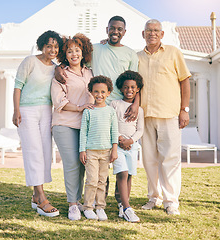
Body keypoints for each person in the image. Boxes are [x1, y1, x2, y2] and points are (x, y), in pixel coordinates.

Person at [55, 15, 139, 211]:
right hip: (97, 110)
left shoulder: (130, 54)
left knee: (121, 156)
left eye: (119, 29)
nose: (115, 31)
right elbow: (74, 56)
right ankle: (97, 201)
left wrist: (135, 104)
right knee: (98, 156)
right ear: (106, 29)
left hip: (121, 110)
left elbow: (136, 82)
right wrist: (58, 68)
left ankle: (121, 202)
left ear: (124, 32)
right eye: (112, 28)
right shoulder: (97, 49)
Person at [138, 19, 191, 215]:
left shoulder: (173, 52)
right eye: (148, 30)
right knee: (149, 159)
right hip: (145, 115)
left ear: (162, 34)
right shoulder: (136, 57)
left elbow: (185, 81)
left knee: (170, 158)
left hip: (169, 114)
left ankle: (171, 201)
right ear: (143, 34)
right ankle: (154, 197)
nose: (152, 33)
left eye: (156, 30)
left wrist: (184, 109)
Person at [12, 30, 63, 217]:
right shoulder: (30, 61)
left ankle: (36, 195)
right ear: (42, 45)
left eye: (56, 46)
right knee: (33, 150)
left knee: (44, 151)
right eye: (49, 45)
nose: (52, 49)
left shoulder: (56, 67)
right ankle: (41, 198)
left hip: (46, 110)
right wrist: (16, 110)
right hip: (27, 110)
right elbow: (18, 86)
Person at [51, 33, 94, 220]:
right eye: (70, 51)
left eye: (77, 50)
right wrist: (79, 108)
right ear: (65, 54)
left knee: (84, 164)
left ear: (83, 52)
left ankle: (82, 201)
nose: (74, 54)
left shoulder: (90, 72)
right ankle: (72, 204)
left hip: (85, 125)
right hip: (65, 123)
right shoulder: (61, 74)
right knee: (71, 164)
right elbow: (58, 101)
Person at [79, 76, 118, 221]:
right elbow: (83, 132)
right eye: (96, 91)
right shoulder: (88, 111)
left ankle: (100, 207)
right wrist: (82, 150)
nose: (99, 95)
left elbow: (114, 131)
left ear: (108, 93)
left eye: (103, 92)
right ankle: (88, 207)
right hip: (91, 152)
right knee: (91, 180)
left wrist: (114, 149)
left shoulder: (110, 111)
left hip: (106, 151)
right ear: (91, 92)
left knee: (103, 180)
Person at [110, 70, 144, 222]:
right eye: (126, 87)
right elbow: (111, 124)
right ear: (121, 88)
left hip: (132, 147)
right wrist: (119, 139)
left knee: (129, 175)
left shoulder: (140, 110)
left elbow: (140, 130)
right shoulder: (115, 104)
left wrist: (130, 141)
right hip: (117, 146)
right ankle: (127, 208)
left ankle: (123, 205)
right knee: (122, 173)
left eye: (132, 87)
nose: (129, 90)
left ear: (137, 89)